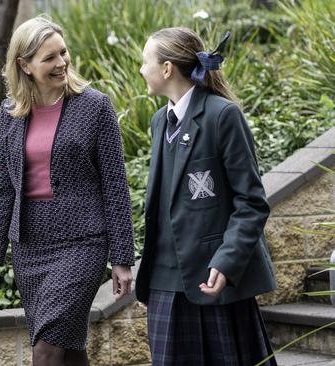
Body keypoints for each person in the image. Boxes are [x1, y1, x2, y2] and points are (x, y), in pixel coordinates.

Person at [0, 15, 135, 366]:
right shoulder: (10, 113)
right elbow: (3, 189)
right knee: (68, 348)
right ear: (25, 65)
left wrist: (122, 258)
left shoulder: (95, 107)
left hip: (82, 243)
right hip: (30, 247)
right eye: (49, 58)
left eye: (63, 53)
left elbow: (115, 187)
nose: (61, 63)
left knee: (45, 349)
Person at [135, 27, 277, 365]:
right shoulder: (159, 122)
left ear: (167, 68)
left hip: (214, 281)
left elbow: (252, 202)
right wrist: (152, 278)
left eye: (145, 62)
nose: (141, 70)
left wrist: (226, 262)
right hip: (164, 285)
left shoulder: (222, 115)